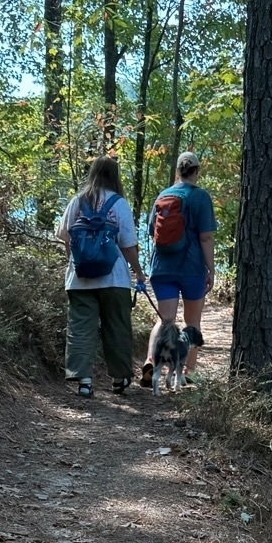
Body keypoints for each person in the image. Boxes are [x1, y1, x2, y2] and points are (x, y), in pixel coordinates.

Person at [56, 157, 147, 398]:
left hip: (80, 279)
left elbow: (66, 237)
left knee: (80, 327)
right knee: (117, 326)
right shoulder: (119, 204)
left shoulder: (77, 201)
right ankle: (120, 378)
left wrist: (76, 262)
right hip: (114, 279)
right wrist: (138, 272)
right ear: (115, 176)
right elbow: (128, 245)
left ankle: (83, 381)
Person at [142, 151, 216, 389]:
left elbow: (151, 230)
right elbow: (206, 238)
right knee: (192, 320)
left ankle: (151, 361)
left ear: (177, 170)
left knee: (165, 320)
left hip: (162, 266)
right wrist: (211, 269)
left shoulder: (163, 195)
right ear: (197, 171)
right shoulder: (201, 197)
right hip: (191, 267)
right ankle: (187, 372)